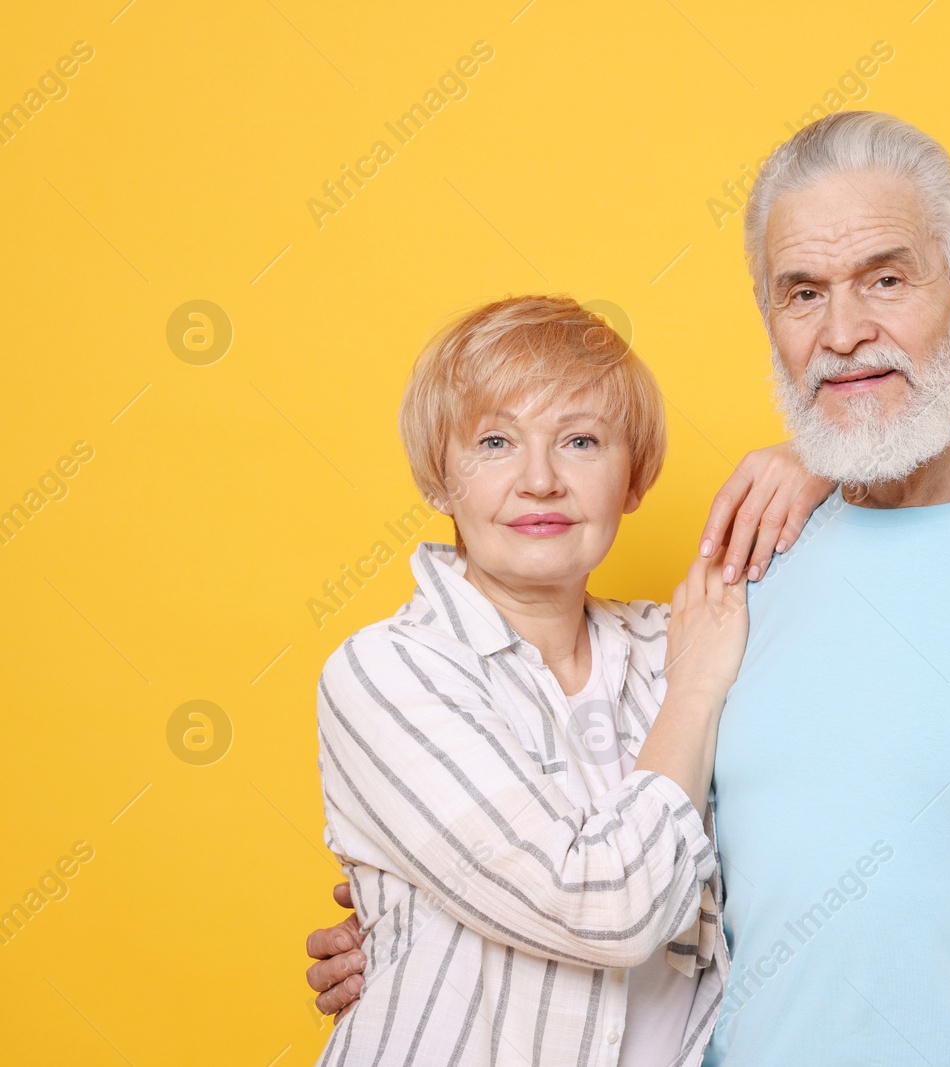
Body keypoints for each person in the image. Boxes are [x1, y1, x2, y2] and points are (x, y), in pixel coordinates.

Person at [311, 111, 950, 1065]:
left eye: (885, 278)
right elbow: (606, 857)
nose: (843, 331)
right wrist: (421, 937)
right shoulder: (737, 576)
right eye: (802, 292)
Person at [307, 294, 831, 1067]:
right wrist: (692, 692)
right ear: (440, 479)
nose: (540, 480)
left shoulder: (682, 636)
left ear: (634, 479)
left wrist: (817, 459)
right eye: (494, 441)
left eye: (581, 440)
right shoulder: (387, 669)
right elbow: (604, 906)